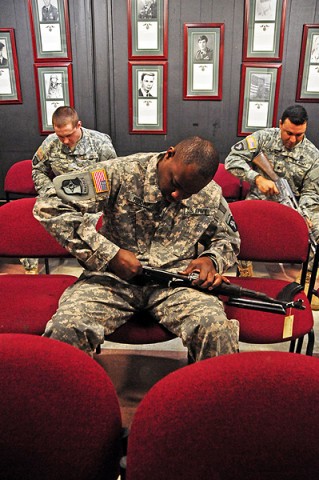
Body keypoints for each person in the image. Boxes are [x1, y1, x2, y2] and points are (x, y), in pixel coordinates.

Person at [33, 136, 240, 361]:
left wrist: (211, 259)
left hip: (176, 283)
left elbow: (228, 237)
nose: (177, 196)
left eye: (188, 193)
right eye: (176, 184)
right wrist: (108, 254)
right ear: (170, 154)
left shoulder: (210, 194)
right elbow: (50, 205)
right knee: (66, 328)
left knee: (217, 330)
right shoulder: (120, 172)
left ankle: (212, 396)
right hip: (112, 280)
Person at [225, 104, 319, 308]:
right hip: (260, 200)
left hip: (292, 205)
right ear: (280, 125)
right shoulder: (263, 138)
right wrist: (256, 178)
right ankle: (246, 278)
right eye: (289, 133)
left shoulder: (313, 155)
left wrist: (303, 214)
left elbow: (311, 192)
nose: (293, 140)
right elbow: (232, 159)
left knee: (314, 231)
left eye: (299, 135)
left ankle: (302, 282)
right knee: (239, 230)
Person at [26, 106, 117, 274]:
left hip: (91, 201)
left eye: (69, 135)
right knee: (35, 217)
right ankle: (31, 271)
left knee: (92, 229)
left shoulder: (100, 143)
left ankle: (95, 272)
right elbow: (37, 169)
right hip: (60, 197)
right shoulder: (51, 143)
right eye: (60, 136)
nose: (65, 141)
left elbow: (111, 175)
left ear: (78, 125)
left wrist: (95, 199)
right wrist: (50, 191)